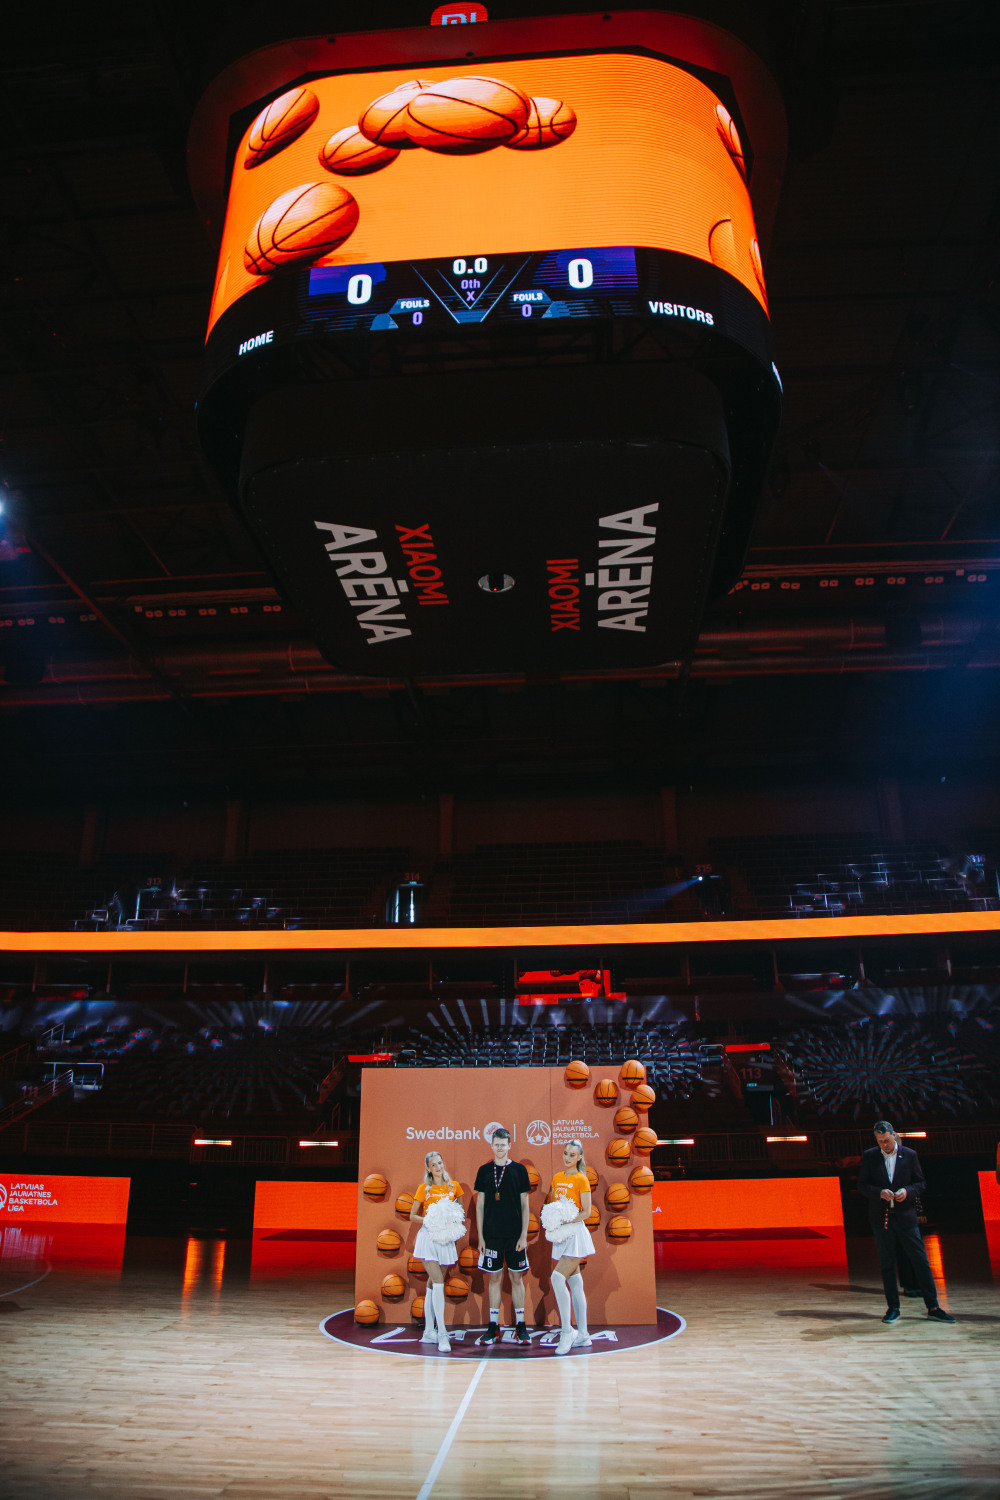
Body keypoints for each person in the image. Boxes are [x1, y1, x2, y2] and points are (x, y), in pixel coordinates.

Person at [856, 1120, 956, 1324]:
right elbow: (862, 1185)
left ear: (894, 1135)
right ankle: (893, 1308)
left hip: (906, 1217)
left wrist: (907, 1191)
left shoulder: (909, 1155)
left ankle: (933, 1307)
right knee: (887, 1264)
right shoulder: (870, 1156)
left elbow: (921, 1183)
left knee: (921, 1261)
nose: (883, 1144)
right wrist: (879, 1193)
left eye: (886, 1140)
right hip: (881, 1219)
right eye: (879, 1141)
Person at [473, 1126, 531, 1346]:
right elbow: (480, 1206)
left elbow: (525, 1205)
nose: (499, 1148)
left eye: (503, 1145)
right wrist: (481, 1237)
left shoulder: (519, 1170)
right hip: (492, 1236)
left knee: (517, 1278)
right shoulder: (484, 1170)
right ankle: (493, 1326)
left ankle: (521, 1326)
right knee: (494, 1278)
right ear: (491, 1145)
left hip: (515, 1235)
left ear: (509, 1145)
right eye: (496, 1144)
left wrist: (524, 1235)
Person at [410, 1150, 464, 1353]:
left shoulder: (454, 1187)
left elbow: (460, 1213)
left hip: (446, 1239)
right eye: (434, 1165)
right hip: (429, 1238)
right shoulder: (424, 1188)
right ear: (428, 1168)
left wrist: (450, 1224)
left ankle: (428, 1331)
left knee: (433, 1284)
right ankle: (442, 1334)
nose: (438, 1167)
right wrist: (430, 1220)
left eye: (440, 1163)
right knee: (439, 1282)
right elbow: (412, 1215)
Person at [546, 1138, 596, 1355]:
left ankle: (567, 1331)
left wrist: (566, 1220)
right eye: (566, 1153)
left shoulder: (581, 1179)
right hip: (561, 1235)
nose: (567, 1158)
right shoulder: (557, 1178)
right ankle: (583, 1335)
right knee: (575, 1283)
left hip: (575, 1234)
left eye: (572, 1155)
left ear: (579, 1157)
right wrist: (553, 1219)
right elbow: (553, 1205)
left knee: (557, 1278)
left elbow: (586, 1212)